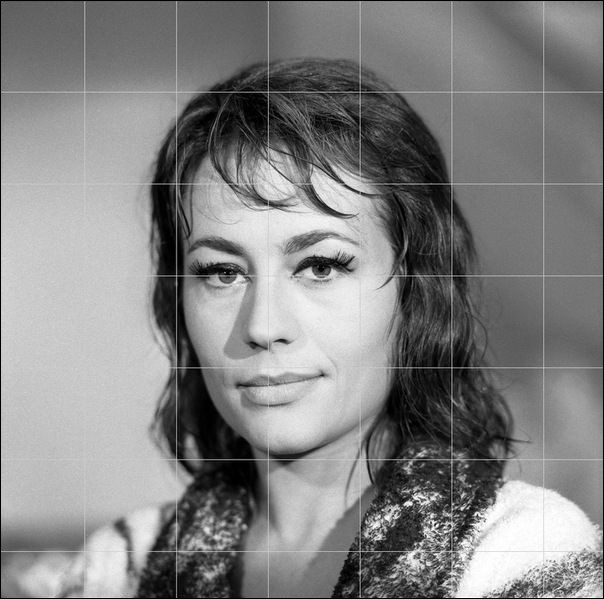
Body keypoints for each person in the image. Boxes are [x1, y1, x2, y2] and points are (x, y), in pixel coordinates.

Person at [48, 58, 602, 597]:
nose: (263, 326)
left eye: (320, 267)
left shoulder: (522, 554)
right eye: (222, 272)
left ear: (417, 289)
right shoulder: (118, 570)